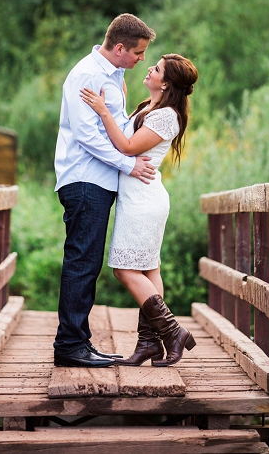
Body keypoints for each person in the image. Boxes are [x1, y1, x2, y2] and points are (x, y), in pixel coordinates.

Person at [80, 53, 198, 367]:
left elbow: (128, 148)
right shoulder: (150, 108)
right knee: (148, 269)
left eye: (157, 68)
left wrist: (103, 111)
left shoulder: (166, 116)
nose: (149, 68)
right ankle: (148, 343)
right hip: (138, 198)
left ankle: (172, 331)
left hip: (143, 201)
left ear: (167, 83)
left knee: (123, 268)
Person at [53, 13, 157, 368]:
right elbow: (86, 135)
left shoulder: (113, 78)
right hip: (84, 179)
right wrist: (128, 165)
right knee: (82, 260)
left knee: (88, 261)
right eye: (139, 53)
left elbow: (115, 129)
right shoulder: (88, 75)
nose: (141, 59)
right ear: (119, 47)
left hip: (98, 181)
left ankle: (79, 341)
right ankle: (69, 345)